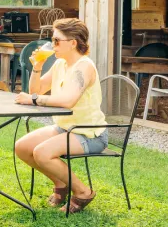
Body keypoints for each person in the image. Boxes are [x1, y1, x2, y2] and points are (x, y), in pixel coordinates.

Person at [13, 18, 106, 214]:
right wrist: (38, 66)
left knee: (42, 153)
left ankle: (83, 192)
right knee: (22, 148)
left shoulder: (84, 66)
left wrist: (34, 100)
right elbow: (36, 90)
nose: (52, 44)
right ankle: (61, 184)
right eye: (52, 40)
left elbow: (67, 101)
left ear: (73, 43)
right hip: (65, 127)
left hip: (88, 133)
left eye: (57, 41)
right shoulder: (60, 64)